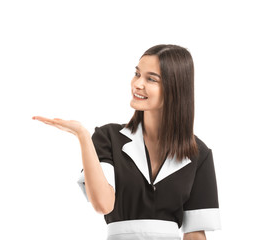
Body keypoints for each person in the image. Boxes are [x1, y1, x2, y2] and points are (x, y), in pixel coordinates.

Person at [32, 44, 221, 240]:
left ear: (175, 88)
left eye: (151, 79)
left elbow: (195, 234)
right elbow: (103, 204)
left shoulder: (199, 153)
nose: (137, 84)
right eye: (137, 74)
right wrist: (83, 136)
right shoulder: (109, 137)